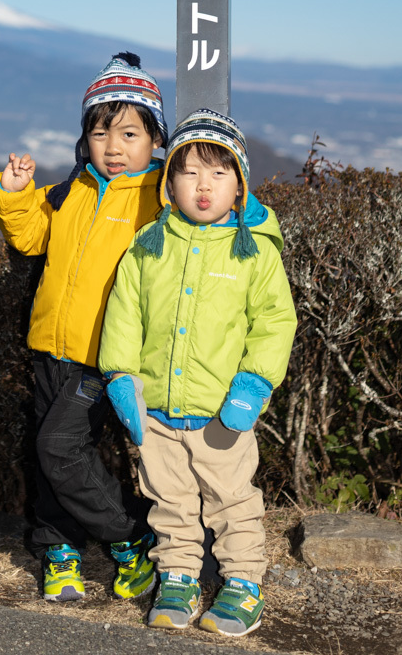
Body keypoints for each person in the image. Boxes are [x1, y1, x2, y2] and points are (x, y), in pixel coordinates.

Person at [99, 110, 297, 637]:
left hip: (222, 413)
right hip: (159, 410)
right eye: (188, 172)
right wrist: (121, 378)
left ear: (240, 186)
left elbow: (275, 322)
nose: (203, 186)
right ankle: (179, 577)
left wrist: (252, 386)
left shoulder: (252, 251)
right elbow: (125, 312)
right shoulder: (149, 245)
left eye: (219, 173)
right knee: (170, 502)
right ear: (170, 183)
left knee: (233, 502)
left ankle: (243, 584)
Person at [0, 52, 169, 603]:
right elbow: (29, 238)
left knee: (58, 447)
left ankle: (128, 539)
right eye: (99, 133)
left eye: (130, 134)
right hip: (50, 346)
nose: (113, 147)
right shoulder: (72, 190)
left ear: (156, 139)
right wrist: (17, 194)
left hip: (105, 356)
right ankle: (59, 551)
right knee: (51, 456)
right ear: (83, 139)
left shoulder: (157, 198)